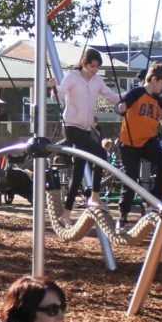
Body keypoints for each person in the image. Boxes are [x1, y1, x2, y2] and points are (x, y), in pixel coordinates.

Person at [116, 63, 162, 233]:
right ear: (154, 79)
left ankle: (153, 200)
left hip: (148, 142)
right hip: (129, 143)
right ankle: (122, 216)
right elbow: (121, 106)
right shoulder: (136, 93)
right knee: (130, 179)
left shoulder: (158, 101)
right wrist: (120, 109)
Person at [55, 47, 120, 210]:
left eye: (97, 67)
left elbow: (111, 97)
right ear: (84, 64)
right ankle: (95, 196)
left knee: (78, 171)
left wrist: (129, 98)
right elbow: (59, 94)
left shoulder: (97, 80)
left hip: (86, 128)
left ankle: (67, 211)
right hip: (71, 127)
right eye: (92, 66)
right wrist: (54, 89)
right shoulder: (72, 77)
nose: (95, 70)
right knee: (101, 154)